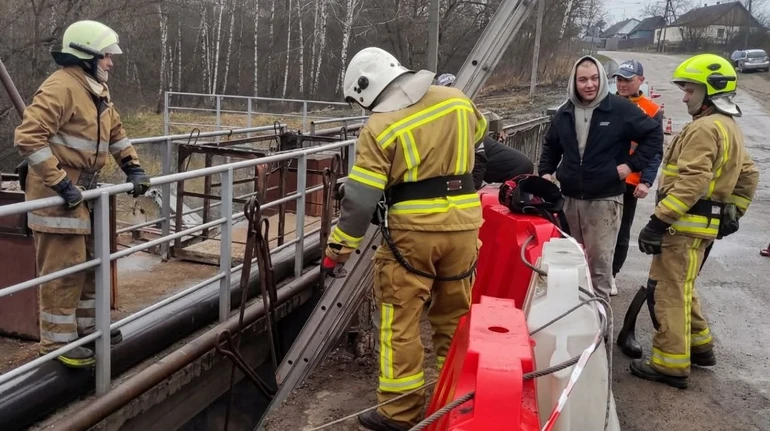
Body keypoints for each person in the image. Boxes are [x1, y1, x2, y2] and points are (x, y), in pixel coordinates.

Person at [321, 47, 487, 431]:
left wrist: (337, 251)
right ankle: (456, 405)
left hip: (413, 234)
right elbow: (480, 133)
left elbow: (360, 200)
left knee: (401, 321)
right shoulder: (457, 100)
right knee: (455, 317)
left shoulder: (379, 127)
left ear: (367, 89)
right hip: (464, 226)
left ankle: (399, 412)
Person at [14, 20, 150, 368]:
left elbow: (115, 131)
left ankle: (89, 330)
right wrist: (60, 183)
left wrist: (132, 166)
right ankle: (57, 345)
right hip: (57, 195)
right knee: (64, 270)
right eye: (106, 56)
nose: (111, 62)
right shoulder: (61, 87)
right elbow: (28, 137)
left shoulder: (94, 89)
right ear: (86, 56)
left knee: (89, 265)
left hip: (83, 194)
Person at [631, 54, 758, 388]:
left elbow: (692, 182)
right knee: (684, 287)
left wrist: (658, 221)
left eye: (689, 90)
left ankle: (669, 363)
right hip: (700, 228)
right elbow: (749, 172)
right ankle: (701, 348)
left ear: (709, 91)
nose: (684, 96)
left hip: (680, 228)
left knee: (668, 292)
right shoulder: (729, 126)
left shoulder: (705, 128)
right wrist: (734, 212)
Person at [537, 55, 663, 301]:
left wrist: (630, 166)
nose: (589, 85)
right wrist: (545, 172)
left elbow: (653, 137)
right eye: (583, 79)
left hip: (604, 201)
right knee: (569, 269)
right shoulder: (565, 112)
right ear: (574, 82)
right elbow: (551, 145)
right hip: (569, 200)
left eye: (594, 78)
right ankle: (573, 322)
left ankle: (602, 333)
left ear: (603, 80)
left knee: (598, 274)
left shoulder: (619, 109)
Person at [610, 59, 664, 296]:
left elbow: (655, 151)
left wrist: (646, 181)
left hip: (630, 182)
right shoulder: (606, 103)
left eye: (627, 80)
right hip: (603, 177)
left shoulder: (651, 110)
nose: (622, 84)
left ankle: (611, 274)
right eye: (619, 79)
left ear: (640, 81)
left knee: (621, 231)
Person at [433, 73, 534, 188]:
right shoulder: (461, 120)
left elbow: (475, 177)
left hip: (517, 171)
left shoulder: (469, 128)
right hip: (512, 169)